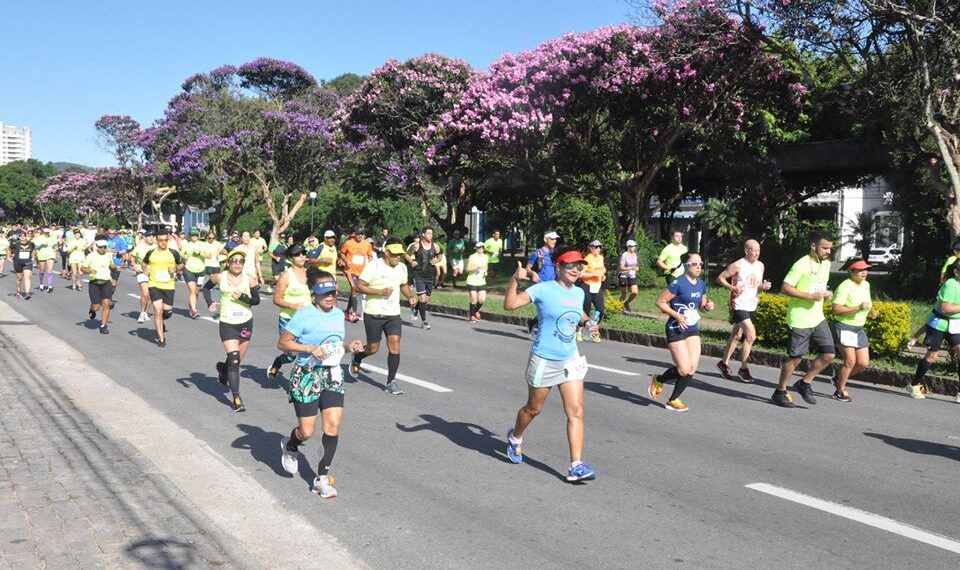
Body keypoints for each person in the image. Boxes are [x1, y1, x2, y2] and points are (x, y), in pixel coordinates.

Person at [503, 246, 597, 483]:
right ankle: (515, 437)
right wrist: (514, 280)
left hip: (570, 359)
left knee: (576, 411)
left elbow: (578, 314)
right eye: (571, 265)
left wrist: (587, 324)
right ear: (558, 266)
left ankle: (576, 465)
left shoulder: (579, 293)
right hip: (544, 359)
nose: (576, 269)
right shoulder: (543, 289)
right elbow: (510, 305)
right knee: (533, 409)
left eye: (579, 266)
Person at [278, 270, 366, 498]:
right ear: (314, 294)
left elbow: (336, 344)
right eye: (325, 293)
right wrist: (308, 348)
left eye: (334, 292)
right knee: (307, 431)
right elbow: (283, 343)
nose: (331, 297)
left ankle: (322, 478)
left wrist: (350, 346)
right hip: (306, 375)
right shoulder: (303, 316)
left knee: (333, 426)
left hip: (332, 375)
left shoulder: (338, 314)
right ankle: (290, 445)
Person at [771, 231, 836, 408]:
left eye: (830, 248)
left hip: (817, 318)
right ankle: (780, 391)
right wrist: (809, 296)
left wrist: (827, 293)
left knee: (829, 354)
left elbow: (820, 285)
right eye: (824, 248)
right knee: (796, 359)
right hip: (799, 319)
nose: (828, 251)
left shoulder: (826, 265)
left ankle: (804, 383)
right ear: (813, 246)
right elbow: (785, 288)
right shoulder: (801, 264)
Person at [648, 252, 716, 412]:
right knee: (683, 369)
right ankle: (659, 379)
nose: (699, 267)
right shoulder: (677, 283)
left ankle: (673, 400)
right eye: (694, 264)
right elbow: (660, 302)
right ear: (686, 266)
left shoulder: (701, 284)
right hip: (675, 328)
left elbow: (702, 305)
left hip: (692, 328)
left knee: (692, 368)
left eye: (700, 264)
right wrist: (677, 315)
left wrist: (707, 306)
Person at [348, 239, 416, 395]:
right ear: (386, 252)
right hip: (374, 313)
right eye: (394, 254)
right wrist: (379, 292)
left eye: (400, 254)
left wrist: (410, 296)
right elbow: (359, 285)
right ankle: (357, 357)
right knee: (373, 348)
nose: (398, 257)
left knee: (395, 345)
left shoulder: (402, 268)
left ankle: (391, 382)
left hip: (393, 314)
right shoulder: (374, 266)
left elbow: (403, 285)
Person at [205, 249, 261, 412]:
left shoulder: (249, 279)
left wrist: (243, 297)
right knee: (234, 358)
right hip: (227, 322)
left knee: (236, 361)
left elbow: (256, 300)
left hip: (245, 322)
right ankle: (236, 398)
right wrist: (210, 303)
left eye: (240, 261)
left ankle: (223, 368)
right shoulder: (219, 277)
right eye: (234, 261)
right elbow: (206, 288)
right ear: (228, 263)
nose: (237, 264)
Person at [715, 239, 772, 382]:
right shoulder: (738, 265)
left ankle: (723, 363)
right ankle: (743, 368)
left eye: (758, 250)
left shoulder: (760, 265)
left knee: (736, 334)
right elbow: (720, 278)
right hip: (738, 304)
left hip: (751, 304)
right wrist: (732, 287)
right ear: (746, 251)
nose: (756, 253)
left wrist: (763, 286)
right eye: (753, 250)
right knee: (751, 335)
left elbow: (756, 284)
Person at [907, 260, 960, 401]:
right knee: (932, 357)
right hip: (939, 324)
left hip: (955, 325)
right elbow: (945, 309)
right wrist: (915, 336)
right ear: (956, 272)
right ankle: (914, 384)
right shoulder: (950, 285)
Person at [831, 260, 878, 402]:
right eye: (859, 270)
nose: (864, 272)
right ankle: (840, 391)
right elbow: (836, 309)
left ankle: (839, 378)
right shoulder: (844, 286)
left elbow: (867, 304)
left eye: (866, 269)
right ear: (850, 271)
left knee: (863, 363)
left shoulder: (866, 285)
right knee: (850, 361)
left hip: (859, 328)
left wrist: (871, 311)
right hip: (845, 326)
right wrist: (857, 308)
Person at [269, 243, 311, 379]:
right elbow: (276, 299)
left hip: (306, 319)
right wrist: (294, 306)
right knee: (291, 354)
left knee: (308, 352)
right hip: (288, 320)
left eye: (303, 253)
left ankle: (300, 382)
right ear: (290, 258)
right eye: (297, 254)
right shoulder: (286, 276)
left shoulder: (310, 273)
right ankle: (278, 362)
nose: (301, 256)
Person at [141, 231, 184, 347]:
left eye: (165, 240)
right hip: (154, 285)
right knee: (158, 311)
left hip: (169, 286)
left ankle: (162, 321)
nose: (163, 243)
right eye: (160, 240)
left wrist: (175, 268)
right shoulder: (151, 253)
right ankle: (161, 338)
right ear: (156, 240)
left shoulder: (173, 253)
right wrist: (145, 270)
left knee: (167, 312)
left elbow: (181, 265)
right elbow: (144, 263)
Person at [525, 231, 559, 338]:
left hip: (553, 285)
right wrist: (533, 273)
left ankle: (533, 323)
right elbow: (527, 268)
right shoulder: (538, 253)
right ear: (545, 239)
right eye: (552, 239)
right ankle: (543, 332)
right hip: (541, 285)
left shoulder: (555, 254)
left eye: (555, 239)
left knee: (551, 309)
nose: (554, 241)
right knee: (546, 309)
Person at [409, 227, 442, 329]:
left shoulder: (435, 246)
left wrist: (436, 261)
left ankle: (415, 308)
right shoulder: (416, 246)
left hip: (430, 275)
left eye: (432, 233)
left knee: (426, 299)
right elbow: (406, 255)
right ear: (423, 234)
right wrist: (411, 262)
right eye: (428, 233)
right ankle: (424, 322)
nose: (430, 235)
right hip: (418, 274)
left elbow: (440, 256)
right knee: (422, 298)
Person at [81, 240, 116, 334]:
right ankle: (92, 308)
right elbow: (83, 268)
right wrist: (89, 271)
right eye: (101, 247)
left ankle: (103, 325)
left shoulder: (109, 255)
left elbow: (111, 264)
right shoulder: (91, 256)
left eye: (105, 247)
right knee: (96, 307)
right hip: (94, 283)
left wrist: (114, 266)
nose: (103, 249)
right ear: (96, 246)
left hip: (106, 282)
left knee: (107, 303)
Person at [340, 227, 374, 323]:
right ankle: (354, 313)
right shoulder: (348, 243)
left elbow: (370, 255)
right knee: (354, 288)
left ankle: (347, 311)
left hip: (361, 271)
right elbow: (342, 253)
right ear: (354, 234)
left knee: (354, 291)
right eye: (358, 233)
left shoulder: (367, 244)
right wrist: (346, 261)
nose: (360, 235)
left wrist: (371, 263)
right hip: (350, 270)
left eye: (362, 234)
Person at [577, 240, 606, 343]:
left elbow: (602, 270)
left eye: (600, 247)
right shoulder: (587, 259)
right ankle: (579, 331)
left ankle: (592, 330)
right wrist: (593, 275)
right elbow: (580, 274)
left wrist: (602, 276)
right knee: (586, 310)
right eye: (596, 247)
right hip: (587, 286)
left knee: (600, 310)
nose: (598, 249)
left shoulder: (601, 258)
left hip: (597, 286)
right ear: (590, 248)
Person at [130, 231, 156, 323]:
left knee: (151, 296)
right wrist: (135, 266)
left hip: (153, 272)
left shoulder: (156, 247)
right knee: (145, 293)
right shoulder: (140, 247)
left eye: (152, 236)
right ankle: (141, 313)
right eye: (149, 236)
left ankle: (145, 312)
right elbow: (132, 256)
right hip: (141, 271)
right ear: (145, 238)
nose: (151, 238)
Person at [182, 228, 207, 318]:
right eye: (192, 235)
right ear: (190, 235)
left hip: (201, 271)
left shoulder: (203, 244)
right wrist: (184, 257)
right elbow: (182, 255)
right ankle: (194, 310)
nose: (194, 237)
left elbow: (209, 255)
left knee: (196, 292)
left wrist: (200, 253)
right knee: (192, 291)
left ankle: (192, 307)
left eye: (196, 235)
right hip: (189, 270)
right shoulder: (186, 244)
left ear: (198, 235)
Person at [466, 241, 488, 323]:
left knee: (482, 300)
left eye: (482, 247)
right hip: (472, 280)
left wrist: (486, 272)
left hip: (481, 281)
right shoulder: (472, 257)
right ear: (476, 248)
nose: (481, 249)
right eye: (479, 247)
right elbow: (467, 269)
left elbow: (486, 267)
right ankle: (472, 316)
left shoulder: (486, 257)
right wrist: (475, 269)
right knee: (474, 300)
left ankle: (474, 312)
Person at [10, 231, 35, 300]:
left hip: (28, 262)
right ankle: (18, 290)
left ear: (26, 236)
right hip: (18, 263)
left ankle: (27, 293)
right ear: (19, 237)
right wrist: (9, 257)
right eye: (21, 236)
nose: (22, 237)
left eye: (24, 235)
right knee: (19, 278)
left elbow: (33, 251)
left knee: (27, 277)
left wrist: (33, 257)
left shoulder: (31, 244)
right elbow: (8, 249)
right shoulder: (15, 244)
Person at [618, 239, 639, 312]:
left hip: (632, 275)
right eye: (633, 246)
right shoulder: (624, 255)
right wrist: (630, 268)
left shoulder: (635, 255)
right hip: (623, 275)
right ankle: (619, 306)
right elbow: (621, 267)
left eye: (635, 246)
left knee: (635, 292)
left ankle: (626, 303)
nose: (634, 248)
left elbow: (636, 265)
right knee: (624, 293)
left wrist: (636, 268)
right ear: (629, 247)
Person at [34, 227, 57, 293]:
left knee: (50, 269)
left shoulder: (52, 237)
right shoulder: (40, 238)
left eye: (48, 232)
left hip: (51, 255)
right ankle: (41, 284)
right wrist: (42, 244)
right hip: (42, 255)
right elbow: (36, 247)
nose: (47, 233)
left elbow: (55, 245)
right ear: (43, 231)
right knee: (42, 270)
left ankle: (50, 286)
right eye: (45, 232)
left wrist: (55, 247)